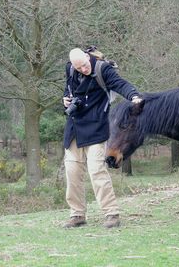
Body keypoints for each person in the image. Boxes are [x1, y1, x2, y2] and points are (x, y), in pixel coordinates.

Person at [62, 48, 142, 229]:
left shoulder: (102, 69)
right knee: (72, 173)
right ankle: (77, 215)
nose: (83, 69)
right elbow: (68, 91)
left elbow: (120, 84)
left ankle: (111, 213)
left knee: (97, 171)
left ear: (87, 57)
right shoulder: (70, 69)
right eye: (79, 68)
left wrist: (134, 96)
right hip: (74, 129)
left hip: (98, 128)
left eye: (84, 65)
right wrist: (65, 100)